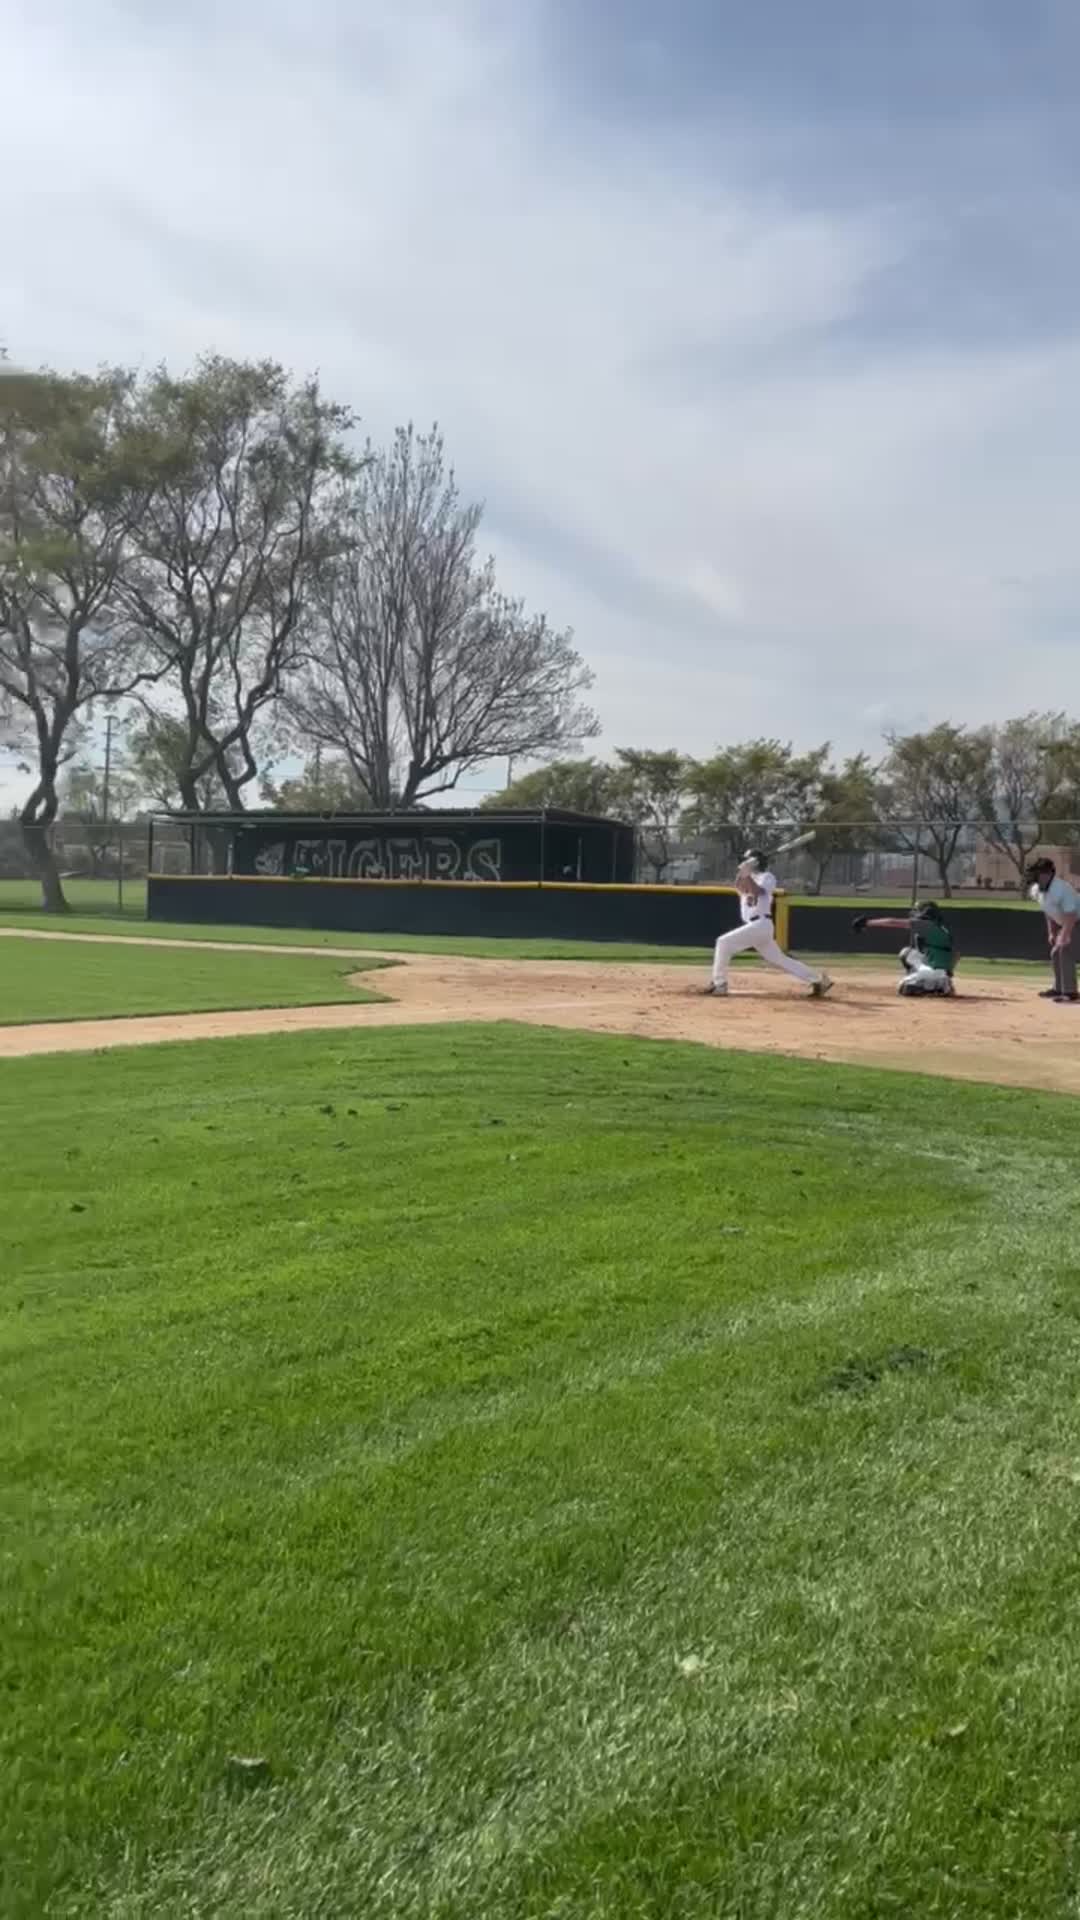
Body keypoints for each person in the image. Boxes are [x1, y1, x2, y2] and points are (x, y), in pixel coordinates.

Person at [703, 849, 833, 998]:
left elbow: (758, 891)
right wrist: (744, 871)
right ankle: (819, 980)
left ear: (756, 863)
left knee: (723, 942)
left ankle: (719, 984)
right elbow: (739, 886)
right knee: (778, 959)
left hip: (761, 924)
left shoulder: (767, 877)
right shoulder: (748, 878)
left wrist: (747, 872)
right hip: (757, 927)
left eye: (747, 861)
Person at [851, 902, 955, 996]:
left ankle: (932, 986)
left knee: (904, 987)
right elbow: (953, 955)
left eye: (918, 910)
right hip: (941, 972)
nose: (915, 913)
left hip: (933, 972)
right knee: (908, 953)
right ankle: (940, 984)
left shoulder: (927, 925)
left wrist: (867, 922)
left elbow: (892, 922)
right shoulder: (941, 928)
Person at [1025, 858, 1079, 1003]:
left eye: (1039, 873)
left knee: (1065, 949)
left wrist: (1065, 935)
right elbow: (1049, 912)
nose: (1035, 877)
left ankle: (1070, 992)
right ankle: (1059, 988)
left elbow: (1071, 914)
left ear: (1048, 874)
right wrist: (1052, 932)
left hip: (1075, 921)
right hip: (1068, 922)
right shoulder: (1037, 890)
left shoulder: (1061, 888)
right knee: (1055, 952)